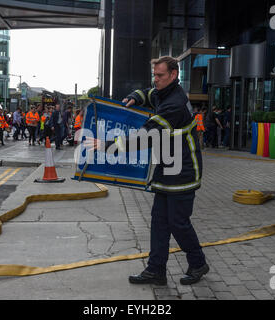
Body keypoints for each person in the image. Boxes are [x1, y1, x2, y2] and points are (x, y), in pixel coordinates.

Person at [86, 56, 209, 286]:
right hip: (166, 168)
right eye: (154, 74)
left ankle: (198, 262)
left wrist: (107, 145)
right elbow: (148, 93)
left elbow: (144, 137)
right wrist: (134, 97)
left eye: (160, 75)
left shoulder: (174, 104)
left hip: (183, 171)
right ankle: (156, 271)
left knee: (178, 223)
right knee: (159, 222)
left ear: (173, 75)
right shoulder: (164, 92)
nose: (156, 80)